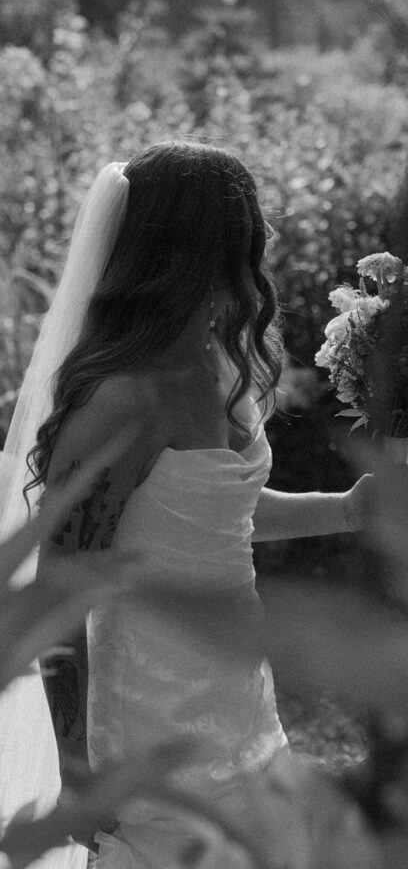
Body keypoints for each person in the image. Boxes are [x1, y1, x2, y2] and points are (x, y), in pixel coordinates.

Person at [0, 141, 375, 869]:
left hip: (237, 690)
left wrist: (347, 509)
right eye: (246, 241)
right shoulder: (123, 400)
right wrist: (77, 769)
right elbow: (59, 594)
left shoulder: (216, 366)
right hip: (148, 718)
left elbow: (214, 516)